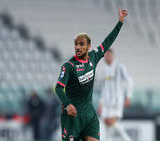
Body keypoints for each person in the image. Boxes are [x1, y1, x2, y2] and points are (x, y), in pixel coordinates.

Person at [55, 8, 128, 141]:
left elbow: (107, 42)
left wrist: (120, 22)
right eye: (76, 44)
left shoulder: (93, 57)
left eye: (81, 44)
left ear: (89, 46)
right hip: (72, 116)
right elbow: (58, 88)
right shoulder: (69, 67)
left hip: (89, 115)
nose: (78, 47)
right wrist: (68, 104)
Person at [97, 49, 134, 141]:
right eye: (105, 56)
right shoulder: (103, 71)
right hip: (106, 102)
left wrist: (128, 96)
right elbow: (103, 89)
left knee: (110, 121)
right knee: (106, 124)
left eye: (108, 55)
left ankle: (127, 138)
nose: (107, 57)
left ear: (113, 56)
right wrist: (101, 103)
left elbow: (129, 81)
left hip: (117, 101)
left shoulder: (120, 67)